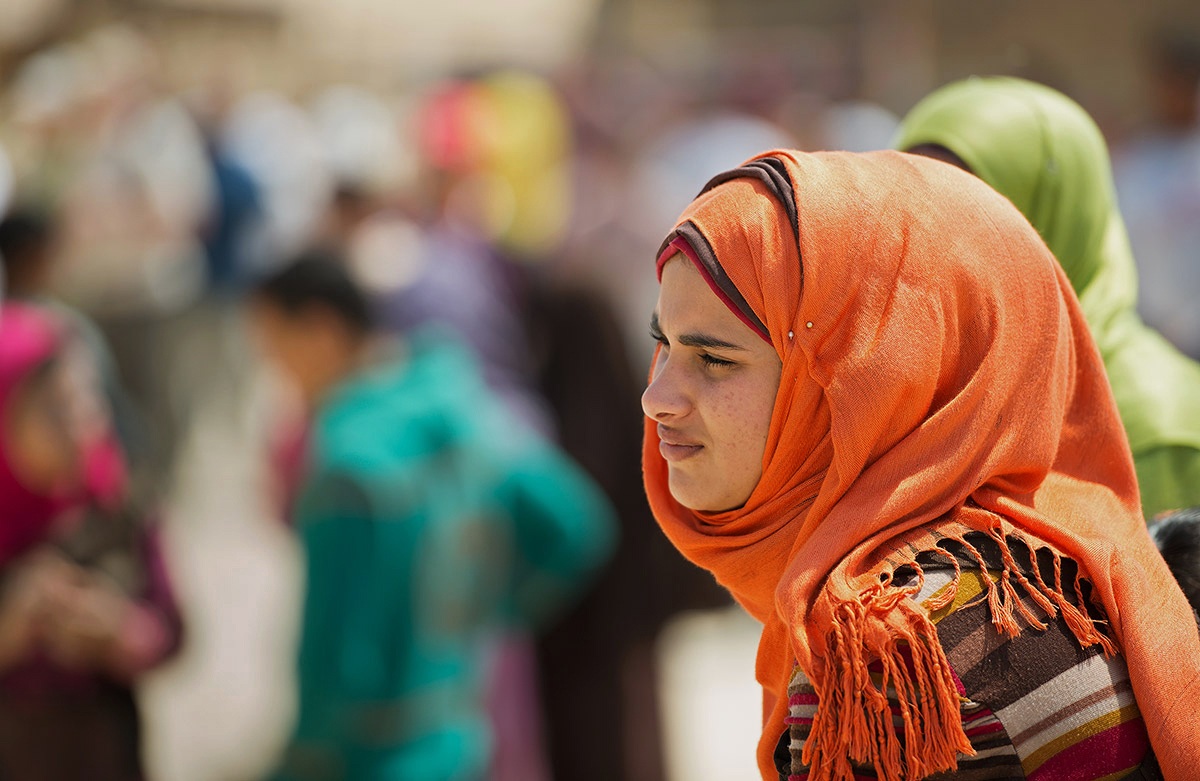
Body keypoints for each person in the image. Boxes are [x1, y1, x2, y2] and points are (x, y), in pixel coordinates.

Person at [641, 150, 1200, 780]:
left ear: (868, 378)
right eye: (663, 343)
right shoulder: (1057, 562)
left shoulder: (888, 652)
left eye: (715, 359)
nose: (655, 398)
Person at [249, 253, 615, 780]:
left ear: (321, 331)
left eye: (274, 347)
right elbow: (574, 525)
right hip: (458, 735)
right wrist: (484, 612)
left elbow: (335, 668)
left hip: (372, 759)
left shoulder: (347, 464)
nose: (275, 372)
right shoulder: (459, 409)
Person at [894, 76, 1200, 521]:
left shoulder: (1161, 434)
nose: (932, 237)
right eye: (913, 203)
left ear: (1054, 219)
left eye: (969, 209)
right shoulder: (916, 397)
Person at [0, 302, 182, 780]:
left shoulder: (120, 503)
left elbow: (175, 635)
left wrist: (122, 633)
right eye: (55, 408)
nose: (81, 422)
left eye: (89, 398)